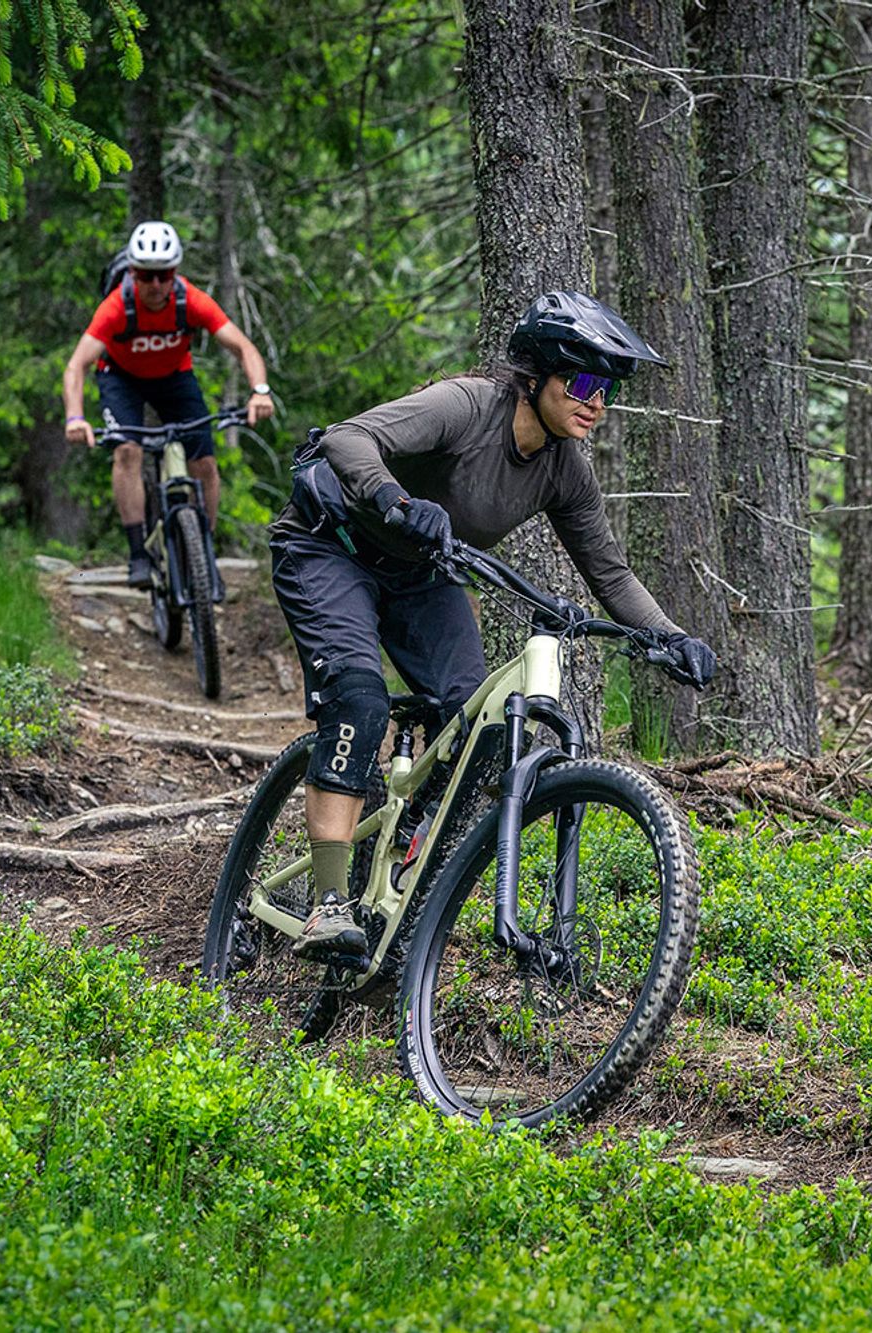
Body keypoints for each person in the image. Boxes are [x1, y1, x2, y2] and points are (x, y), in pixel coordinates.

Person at [271, 290, 716, 956]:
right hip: (330, 545)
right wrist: (396, 497)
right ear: (536, 375)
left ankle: (403, 848)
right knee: (359, 702)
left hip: (420, 575)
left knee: (478, 723)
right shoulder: (465, 407)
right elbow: (345, 438)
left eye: (609, 392)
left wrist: (672, 636)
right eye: (586, 381)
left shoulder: (565, 470)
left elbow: (612, 574)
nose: (597, 402)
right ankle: (327, 903)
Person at [63, 220, 276, 588]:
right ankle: (138, 555)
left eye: (164, 275)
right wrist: (75, 417)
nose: (156, 285)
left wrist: (259, 390)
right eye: (147, 276)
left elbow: (244, 347)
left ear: (175, 272)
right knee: (127, 451)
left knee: (205, 462)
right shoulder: (116, 307)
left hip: (175, 378)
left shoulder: (189, 300)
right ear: (133, 273)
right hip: (120, 378)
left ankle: (204, 554)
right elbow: (76, 365)